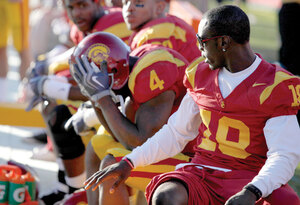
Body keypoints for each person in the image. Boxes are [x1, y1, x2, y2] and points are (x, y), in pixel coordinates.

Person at [83, 5, 300, 205]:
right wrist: (130, 162)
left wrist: (253, 190)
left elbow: (285, 155)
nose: (199, 50)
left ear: (223, 43)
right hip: (203, 170)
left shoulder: (275, 85)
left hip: (250, 175)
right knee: (166, 196)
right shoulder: (201, 74)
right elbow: (176, 132)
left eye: (202, 42)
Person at [69, 32, 197, 205]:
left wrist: (103, 98)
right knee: (97, 143)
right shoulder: (133, 64)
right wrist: (95, 97)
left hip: (191, 159)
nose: (90, 84)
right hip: (167, 149)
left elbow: (140, 142)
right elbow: (119, 136)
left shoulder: (153, 69)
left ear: (113, 69)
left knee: (111, 165)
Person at [26, 1, 132, 204]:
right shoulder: (88, 25)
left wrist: (55, 86)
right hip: (110, 99)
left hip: (125, 104)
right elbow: (75, 56)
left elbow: (113, 85)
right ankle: (66, 184)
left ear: (98, 3)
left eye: (82, 5)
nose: (76, 13)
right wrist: (47, 67)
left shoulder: (114, 25)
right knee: (51, 100)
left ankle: (75, 188)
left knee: (60, 110)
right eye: (71, 7)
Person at [0, 0, 31, 80]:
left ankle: (26, 88)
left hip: (15, 3)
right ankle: (2, 89)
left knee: (22, 47)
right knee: (1, 47)